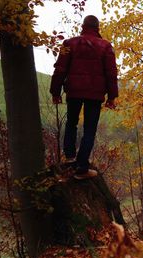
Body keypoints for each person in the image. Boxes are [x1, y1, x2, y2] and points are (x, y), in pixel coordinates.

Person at [50, 15, 118, 179]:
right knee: (89, 129)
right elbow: (111, 74)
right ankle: (81, 168)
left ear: (83, 26)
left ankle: (70, 158)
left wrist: (55, 92)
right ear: (97, 28)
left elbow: (60, 69)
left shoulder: (69, 43)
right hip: (95, 95)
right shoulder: (106, 46)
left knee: (71, 123)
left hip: (73, 91)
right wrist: (112, 96)